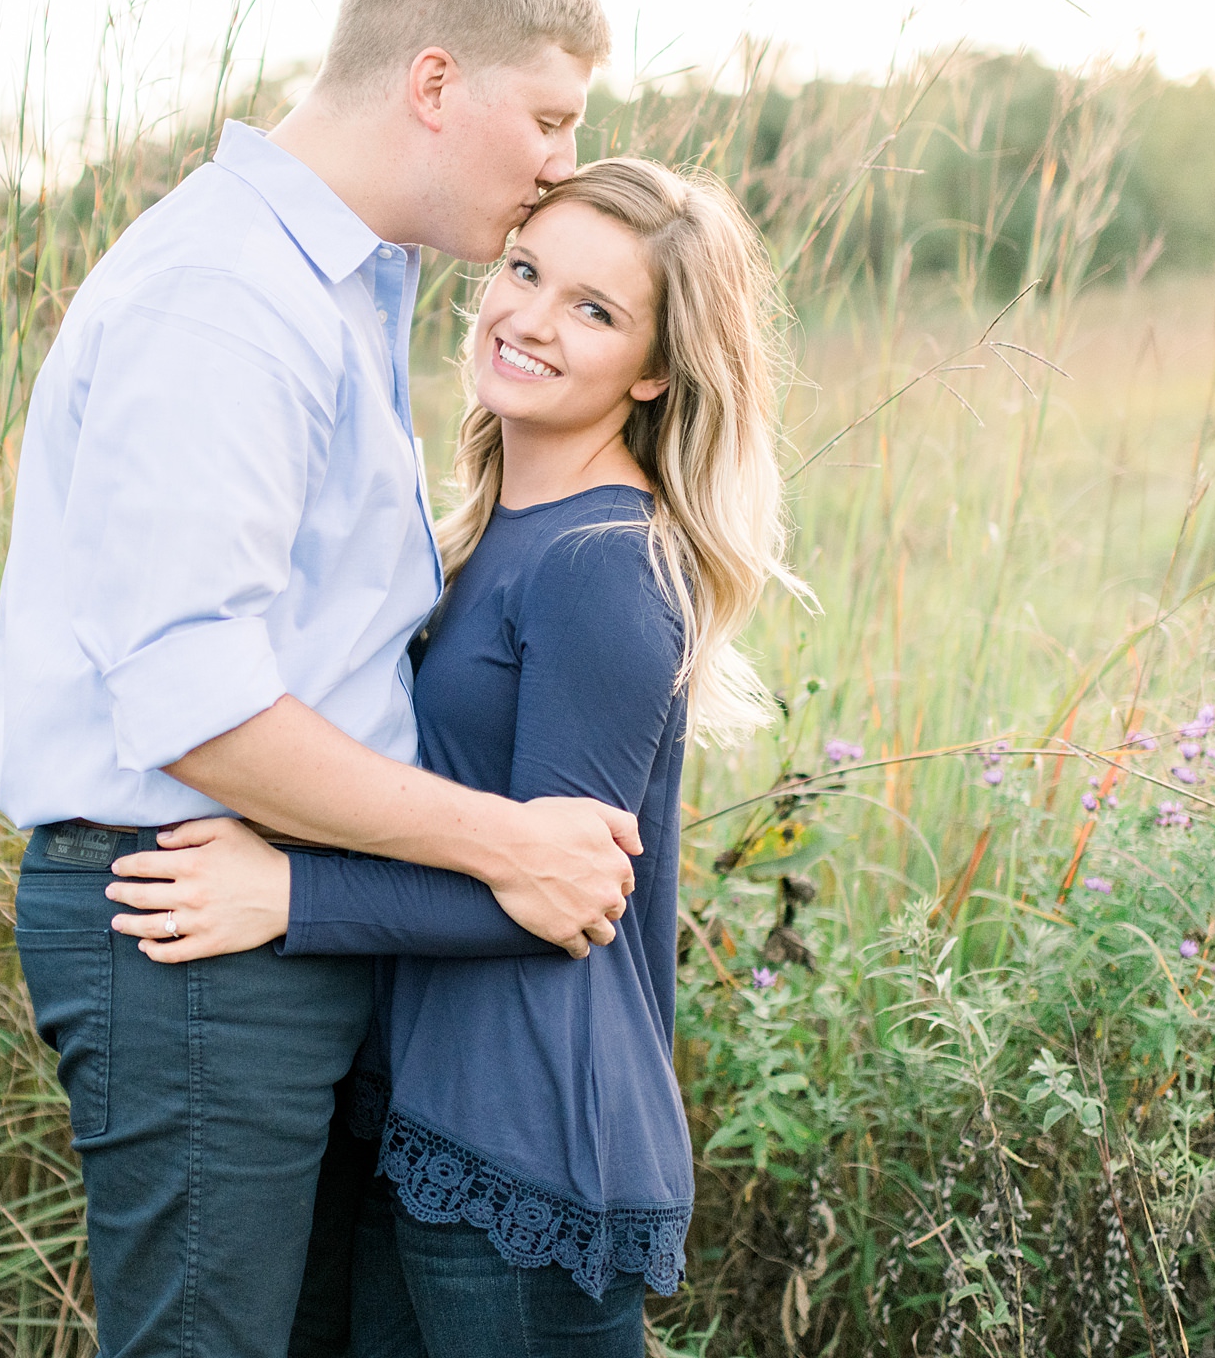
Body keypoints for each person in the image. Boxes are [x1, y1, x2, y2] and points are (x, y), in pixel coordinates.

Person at [0, 0, 646, 1358]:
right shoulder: (227, 296)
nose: (559, 167)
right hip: (192, 926)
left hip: (287, 902)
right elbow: (198, 706)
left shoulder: (336, 288)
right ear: (435, 81)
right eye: (547, 118)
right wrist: (500, 841)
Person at [109, 157, 803, 1355]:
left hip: (528, 1138)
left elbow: (565, 896)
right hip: (436, 1117)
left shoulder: (602, 563)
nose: (531, 316)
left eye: (594, 309)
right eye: (525, 271)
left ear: (653, 370)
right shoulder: (488, 538)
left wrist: (290, 893)